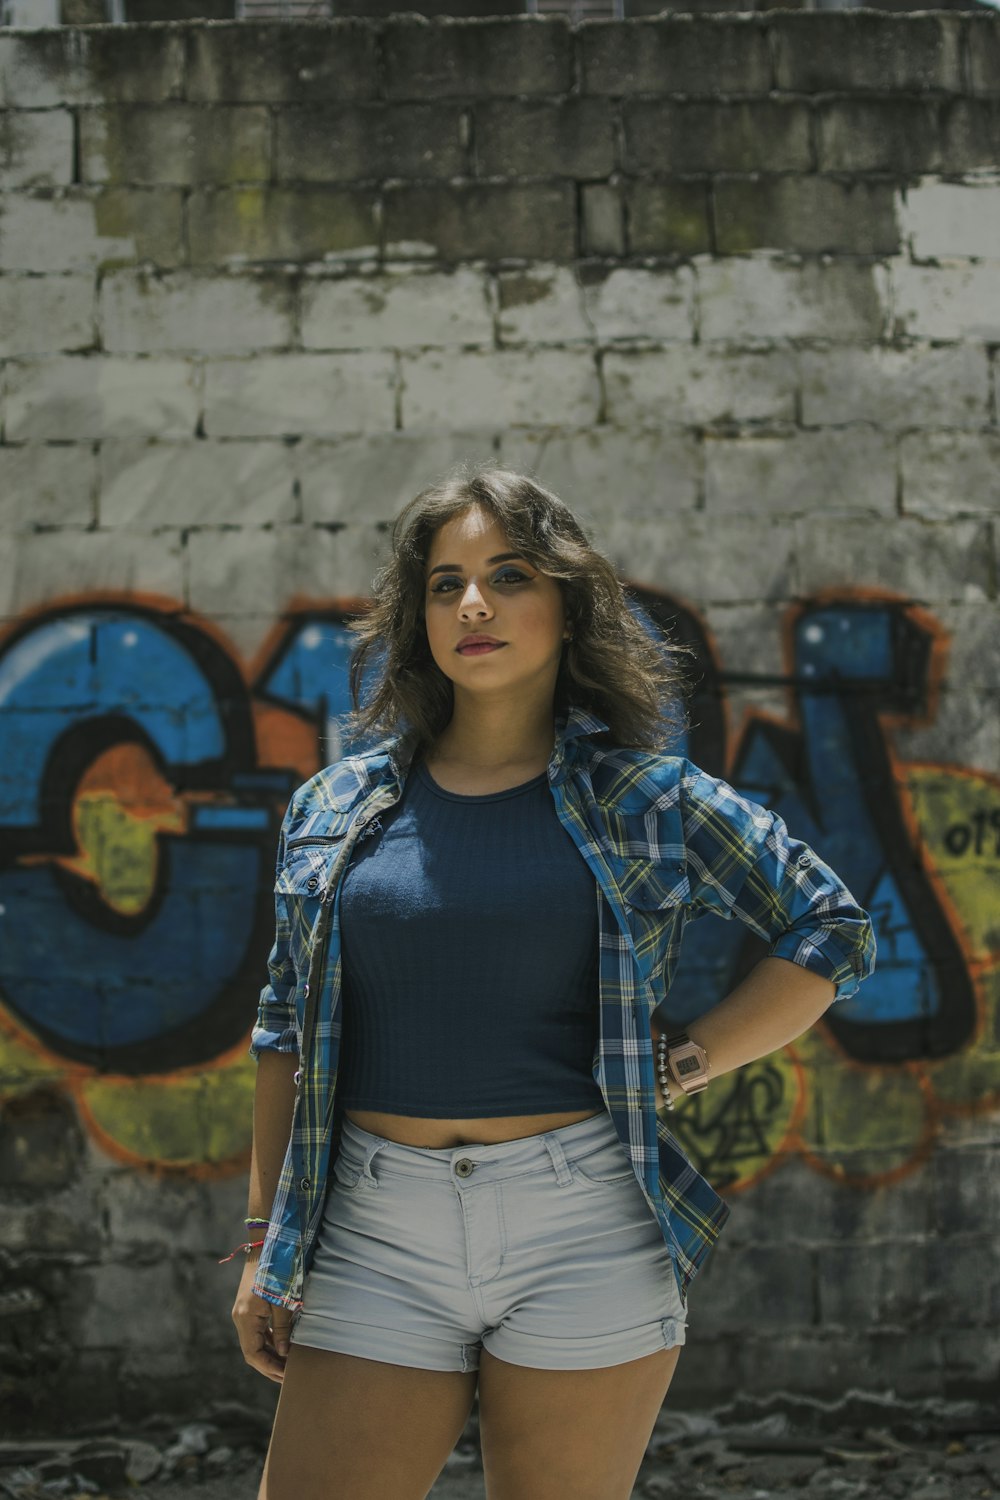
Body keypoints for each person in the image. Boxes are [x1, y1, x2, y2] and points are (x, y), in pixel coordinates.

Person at [229, 463, 876, 1500]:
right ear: (419, 616)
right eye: (445, 583)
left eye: (508, 574)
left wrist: (692, 1057)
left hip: (582, 1228)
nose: (472, 603)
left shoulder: (645, 799)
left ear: (568, 606)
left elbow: (830, 925)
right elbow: (282, 1031)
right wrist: (265, 1241)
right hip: (371, 1231)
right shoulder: (336, 806)